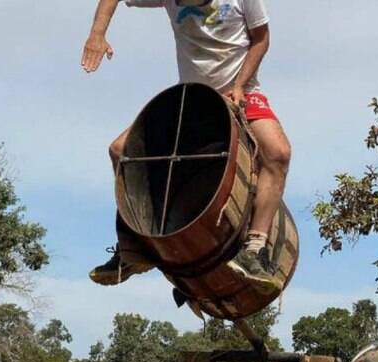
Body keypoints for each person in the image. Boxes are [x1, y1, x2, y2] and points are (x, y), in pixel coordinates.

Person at [81, 0, 291, 293]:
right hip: (193, 98)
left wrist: (240, 85)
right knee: (119, 151)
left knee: (278, 153)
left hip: (241, 91)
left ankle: (253, 249)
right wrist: (97, 34)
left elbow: (261, 39)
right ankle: (133, 250)